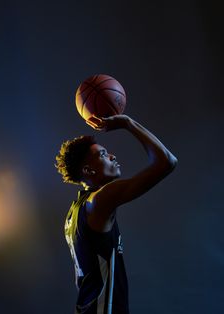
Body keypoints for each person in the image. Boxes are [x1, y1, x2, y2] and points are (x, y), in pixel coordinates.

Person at [55, 114, 178, 314]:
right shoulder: (100, 200)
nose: (112, 156)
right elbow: (167, 161)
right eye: (103, 154)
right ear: (88, 170)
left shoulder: (73, 213)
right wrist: (127, 123)